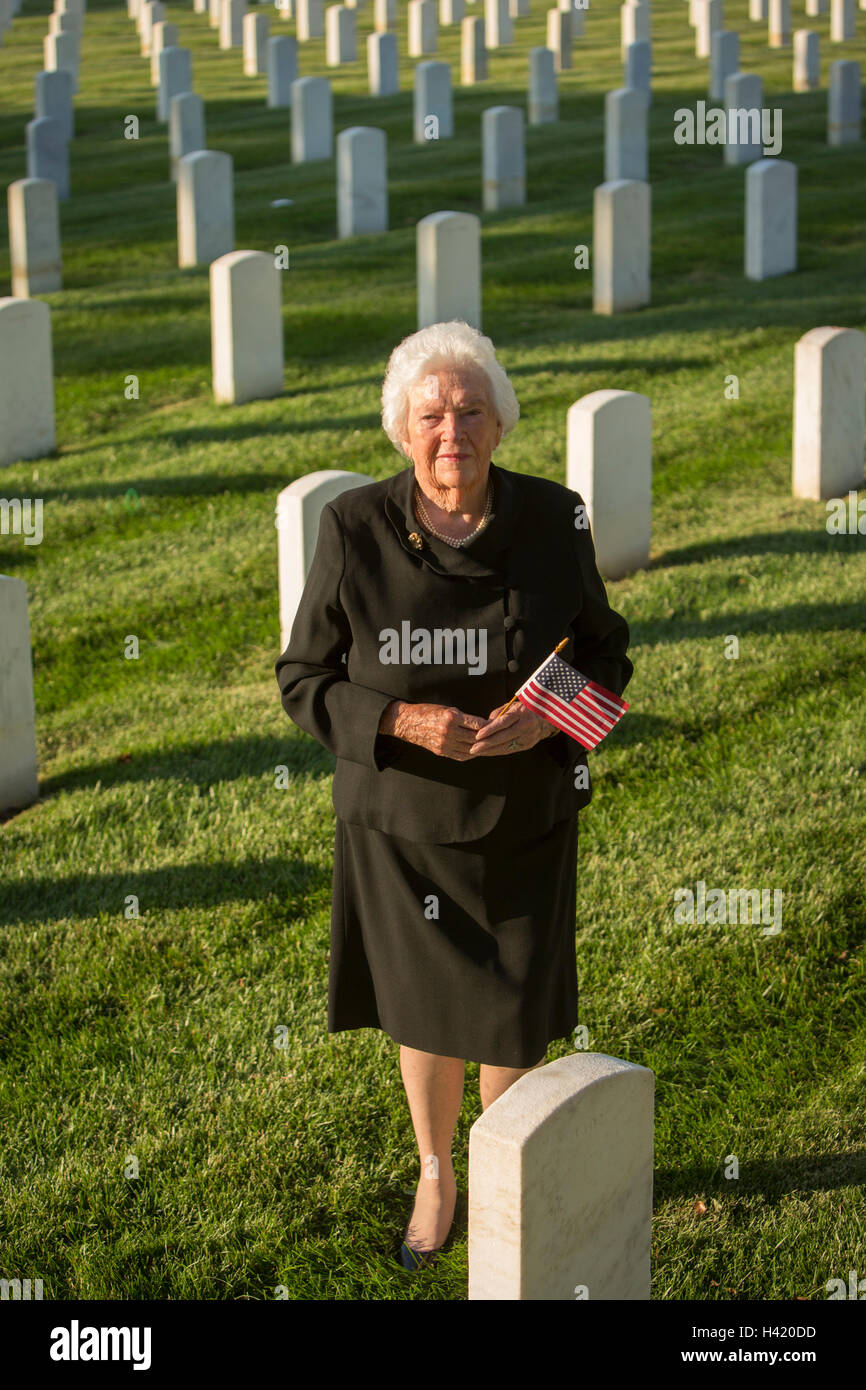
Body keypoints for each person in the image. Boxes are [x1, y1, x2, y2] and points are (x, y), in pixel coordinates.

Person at [275, 320, 633, 1270]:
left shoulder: (556, 520)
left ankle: (507, 1167)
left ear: (501, 424)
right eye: (431, 413)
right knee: (427, 1014)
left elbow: (607, 651)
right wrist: (401, 723)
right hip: (400, 821)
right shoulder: (353, 528)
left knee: (513, 1011)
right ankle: (438, 1171)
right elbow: (304, 678)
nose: (452, 431)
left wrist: (551, 717)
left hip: (524, 811)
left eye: (471, 410)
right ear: (401, 431)